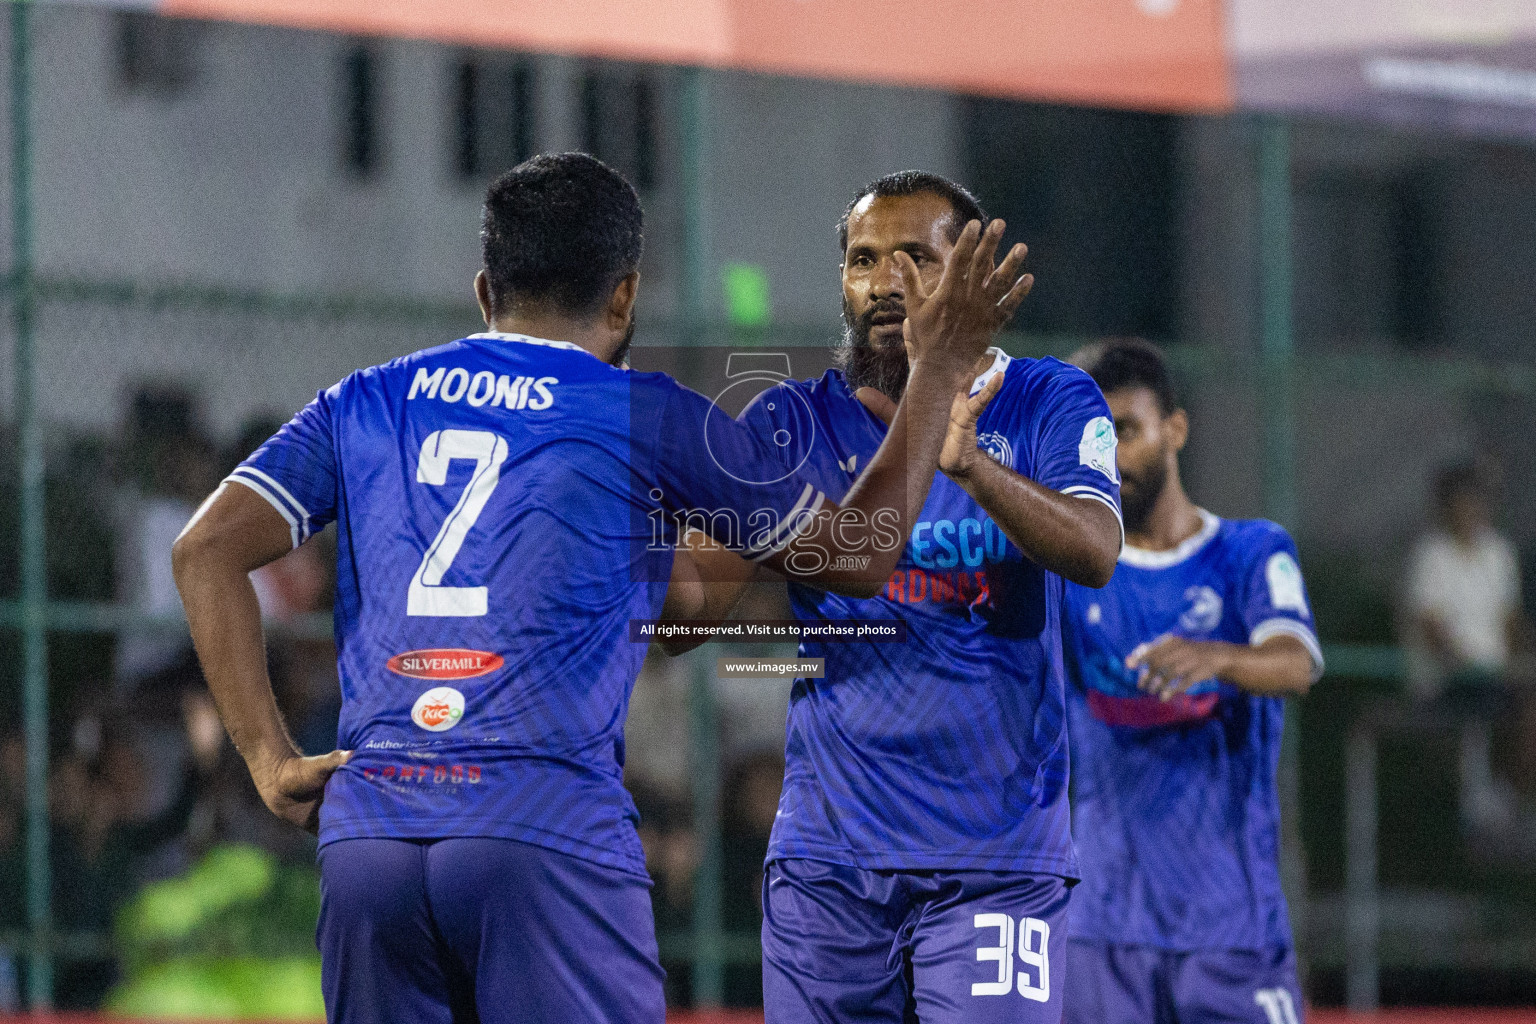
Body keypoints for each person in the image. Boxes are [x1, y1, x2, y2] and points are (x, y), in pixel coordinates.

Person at [171, 153, 1030, 1024]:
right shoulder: (643, 412)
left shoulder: (365, 400)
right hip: (543, 830)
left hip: (371, 838)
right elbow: (864, 555)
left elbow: (203, 551)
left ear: (483, 291)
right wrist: (933, 376)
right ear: (624, 297)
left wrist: (266, 757)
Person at [665, 171, 1123, 1024]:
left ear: (973, 277)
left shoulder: (1047, 399)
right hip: (827, 868)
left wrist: (977, 471)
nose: (886, 281)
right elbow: (684, 613)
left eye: (917, 256)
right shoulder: (791, 425)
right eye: (865, 259)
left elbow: (1096, 550)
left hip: (995, 861)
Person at [1058, 339, 1321, 1024]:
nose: (1112, 458)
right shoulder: (1070, 576)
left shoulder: (1250, 552)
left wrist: (1220, 658)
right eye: (1095, 437)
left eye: (1128, 431)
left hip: (1231, 930)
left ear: (1174, 429)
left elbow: (1296, 663)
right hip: (1101, 933)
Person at [1403, 463, 1536, 839]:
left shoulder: (1499, 553)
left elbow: (1511, 621)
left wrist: (1518, 662)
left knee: (1526, 704)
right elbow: (1431, 628)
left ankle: (1512, 802)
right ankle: (1490, 803)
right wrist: (1469, 665)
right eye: (1464, 503)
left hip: (1497, 679)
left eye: (1478, 503)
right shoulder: (1431, 556)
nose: (1473, 511)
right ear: (1447, 507)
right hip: (1451, 681)